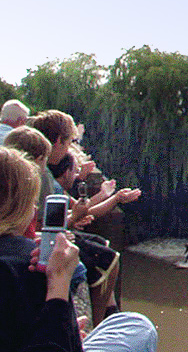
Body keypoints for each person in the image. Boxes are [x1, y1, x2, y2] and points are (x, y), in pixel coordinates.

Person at [0, 146, 157, 351]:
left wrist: (66, 330)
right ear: (22, 208)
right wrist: (59, 284)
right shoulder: (28, 263)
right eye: (32, 202)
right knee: (139, 327)